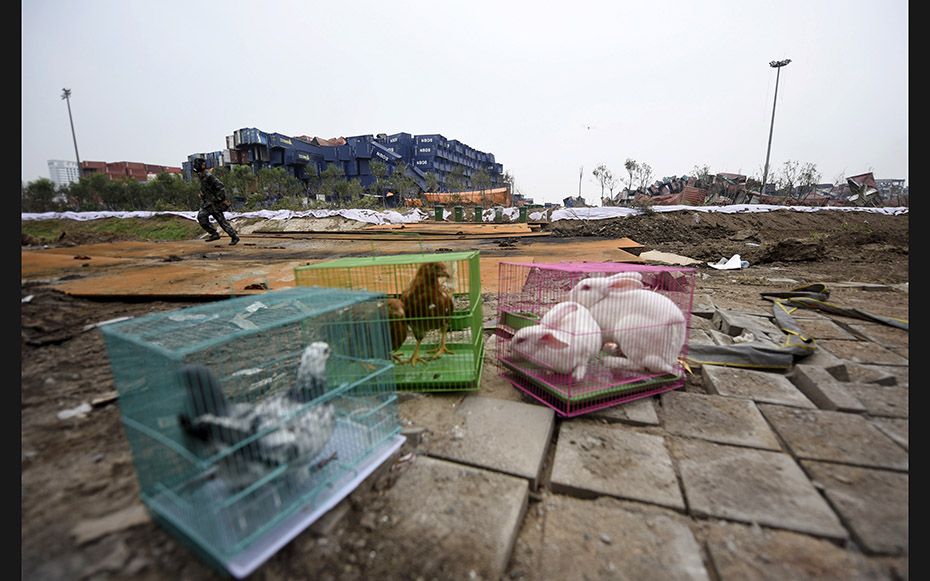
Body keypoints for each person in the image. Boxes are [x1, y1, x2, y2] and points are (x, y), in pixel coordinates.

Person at [192, 157, 239, 245]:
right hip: (208, 203)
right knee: (204, 218)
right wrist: (202, 194)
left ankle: (233, 237)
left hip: (214, 203)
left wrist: (219, 199)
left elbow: (220, 186)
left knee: (221, 221)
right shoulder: (201, 175)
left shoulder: (208, 176)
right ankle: (215, 234)